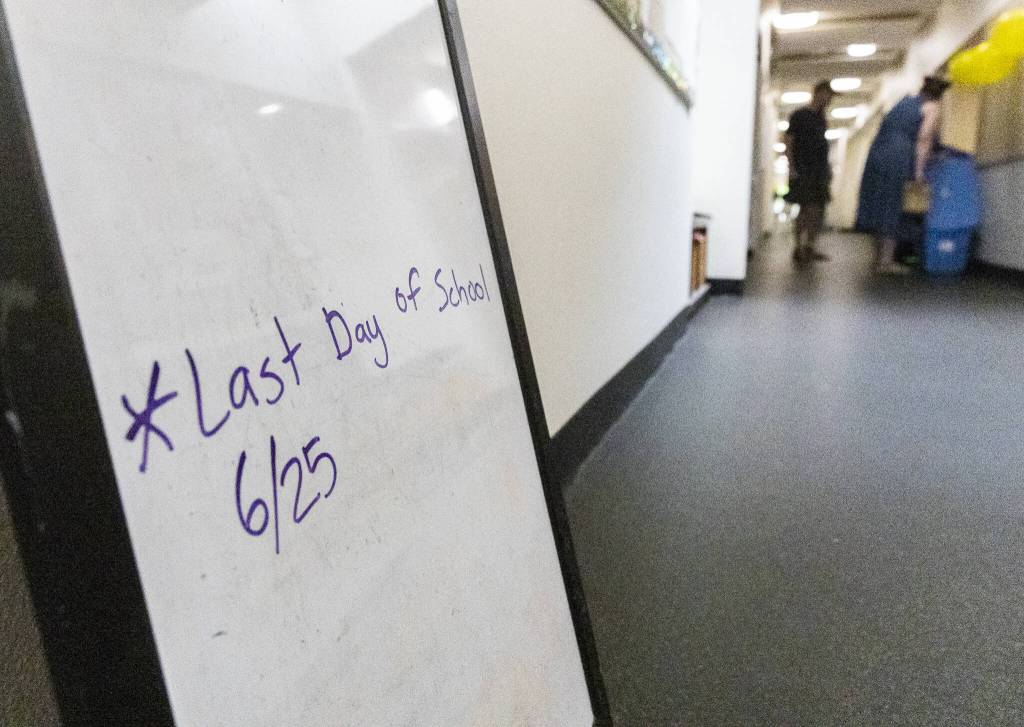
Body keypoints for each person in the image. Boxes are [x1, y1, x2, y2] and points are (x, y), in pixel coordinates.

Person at [856, 76, 952, 274]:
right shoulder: (932, 107)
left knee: (879, 205)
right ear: (940, 95)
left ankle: (877, 259)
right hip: (899, 157)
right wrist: (919, 172)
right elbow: (924, 139)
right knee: (894, 207)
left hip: (878, 153)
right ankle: (886, 262)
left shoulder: (903, 101)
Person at [785, 80, 837, 263]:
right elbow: (789, 140)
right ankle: (799, 246)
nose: (829, 100)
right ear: (819, 93)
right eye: (828, 96)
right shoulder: (800, 115)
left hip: (819, 170)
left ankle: (809, 246)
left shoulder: (821, 119)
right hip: (803, 168)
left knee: (817, 209)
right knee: (805, 208)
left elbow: (822, 146)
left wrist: (827, 168)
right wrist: (791, 167)